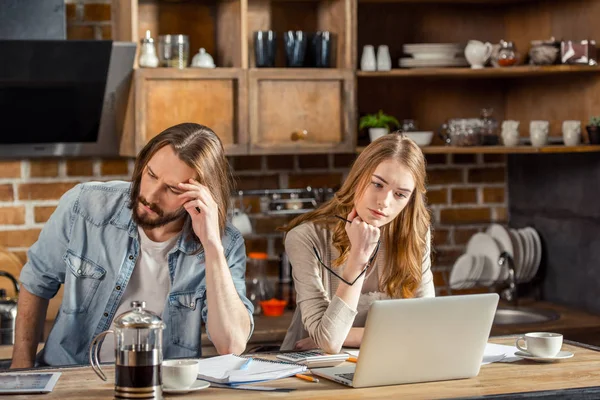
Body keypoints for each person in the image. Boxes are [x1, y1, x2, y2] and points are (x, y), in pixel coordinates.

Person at [11, 123, 254, 368]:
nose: (150, 195)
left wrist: (211, 245)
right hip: (69, 377)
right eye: (151, 175)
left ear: (200, 195)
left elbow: (231, 345)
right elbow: (36, 284)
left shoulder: (225, 243)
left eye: (171, 189)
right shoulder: (84, 206)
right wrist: (21, 370)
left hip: (159, 385)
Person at [280, 133, 435, 354]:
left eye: (400, 194)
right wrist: (358, 260)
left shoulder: (416, 233)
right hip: (308, 369)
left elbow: (428, 325)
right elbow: (330, 342)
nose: (384, 201)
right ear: (358, 176)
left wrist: (348, 337)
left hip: (385, 361)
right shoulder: (305, 237)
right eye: (377, 184)